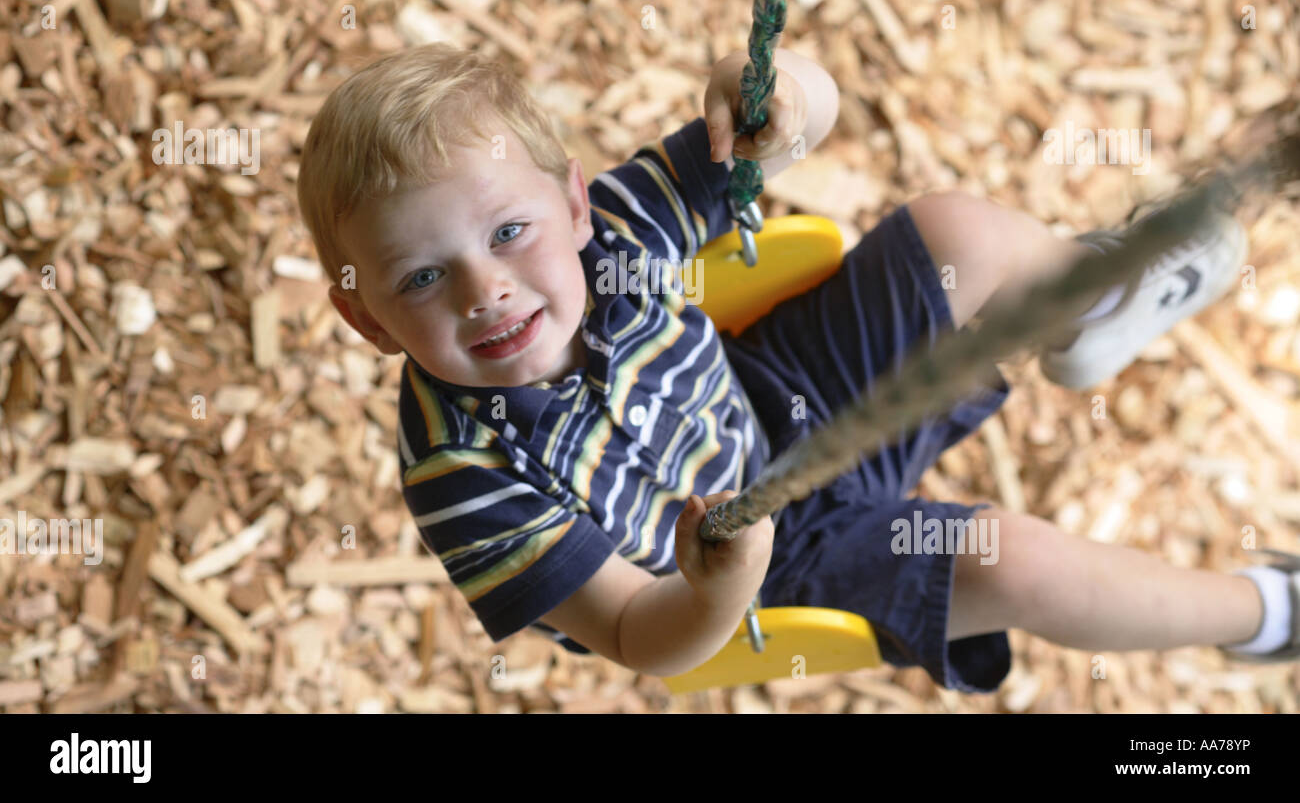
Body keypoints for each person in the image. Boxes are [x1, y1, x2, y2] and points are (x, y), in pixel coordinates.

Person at [295, 42, 1292, 694]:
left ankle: (1092, 303)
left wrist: (774, 97)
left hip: (777, 396)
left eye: (509, 230)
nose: (485, 289)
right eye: (421, 276)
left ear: (571, 204)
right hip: (760, 566)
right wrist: (724, 579)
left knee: (952, 231)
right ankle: (1263, 610)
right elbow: (644, 640)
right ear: (363, 315)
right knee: (1014, 560)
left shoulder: (618, 227)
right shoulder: (459, 473)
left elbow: (798, 123)